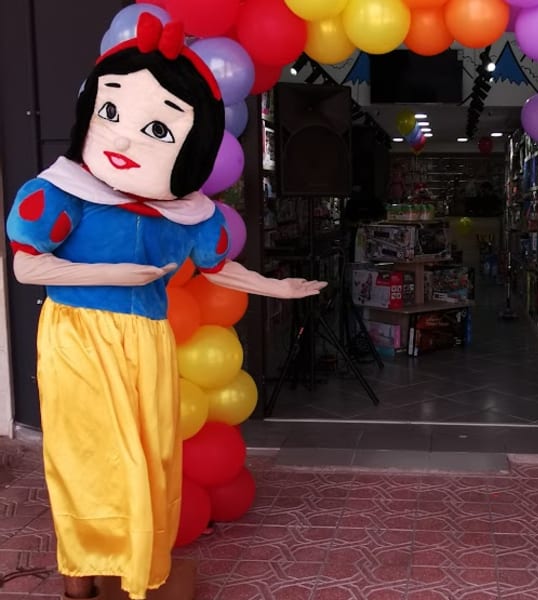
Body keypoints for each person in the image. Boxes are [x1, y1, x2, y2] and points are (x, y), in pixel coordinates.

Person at [6, 13, 325, 600]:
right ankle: (80, 572)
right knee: (84, 454)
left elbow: (219, 268)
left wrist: (277, 287)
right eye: (110, 112)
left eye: (156, 128)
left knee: (148, 455)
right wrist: (113, 274)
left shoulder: (187, 213)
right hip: (78, 335)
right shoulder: (63, 193)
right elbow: (28, 267)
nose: (124, 139)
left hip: (146, 338)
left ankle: (135, 568)